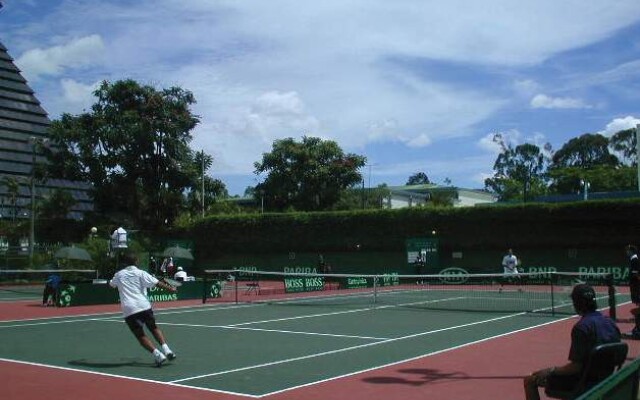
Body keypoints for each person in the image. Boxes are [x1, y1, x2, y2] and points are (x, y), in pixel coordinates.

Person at [523, 283, 621, 400]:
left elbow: (576, 367)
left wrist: (551, 370)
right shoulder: (610, 322)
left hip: (583, 383)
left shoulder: (582, 327)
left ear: (576, 303)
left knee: (530, 380)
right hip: (607, 378)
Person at [109, 250, 177, 367]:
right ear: (136, 261)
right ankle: (167, 350)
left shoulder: (119, 275)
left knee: (140, 335)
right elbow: (157, 283)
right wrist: (170, 289)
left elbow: (111, 285)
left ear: (125, 263)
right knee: (153, 328)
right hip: (144, 305)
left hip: (129, 309)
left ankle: (158, 355)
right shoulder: (141, 273)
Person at [625, 244, 640, 338]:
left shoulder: (635, 260)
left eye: (627, 250)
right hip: (635, 285)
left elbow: (636, 274)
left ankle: (638, 328)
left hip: (636, 286)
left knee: (638, 303)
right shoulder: (633, 259)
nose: (626, 252)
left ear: (631, 251)